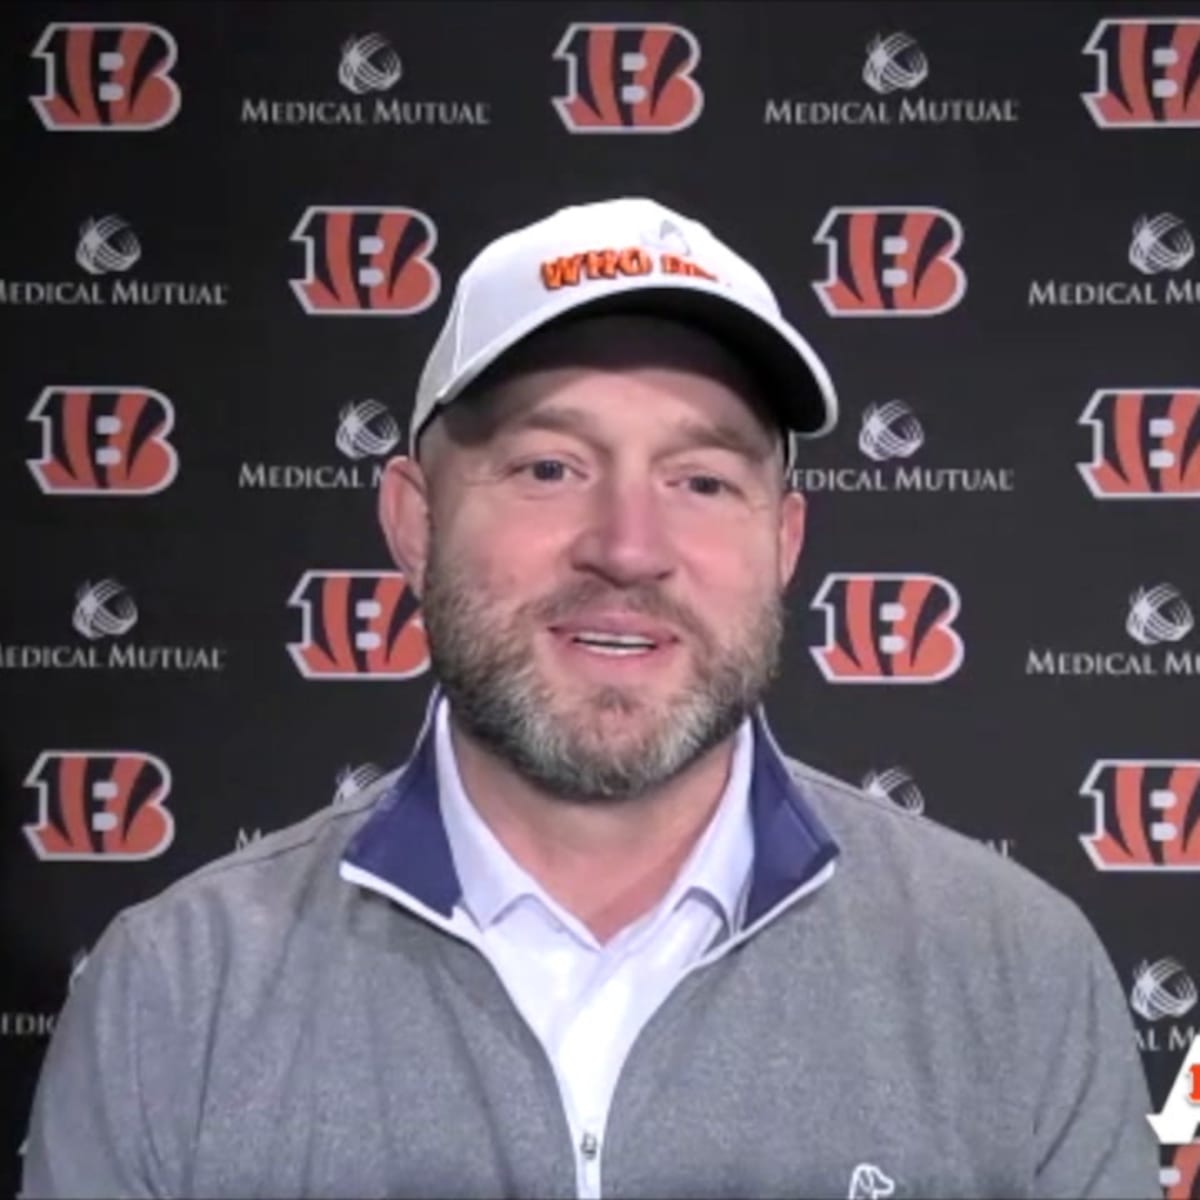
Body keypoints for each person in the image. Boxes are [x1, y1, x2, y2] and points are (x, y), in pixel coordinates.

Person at [21, 197, 1161, 1200]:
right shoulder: (175, 997)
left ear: (785, 541)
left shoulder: (1016, 973)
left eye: (702, 481)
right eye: (549, 468)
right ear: (414, 521)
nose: (629, 547)